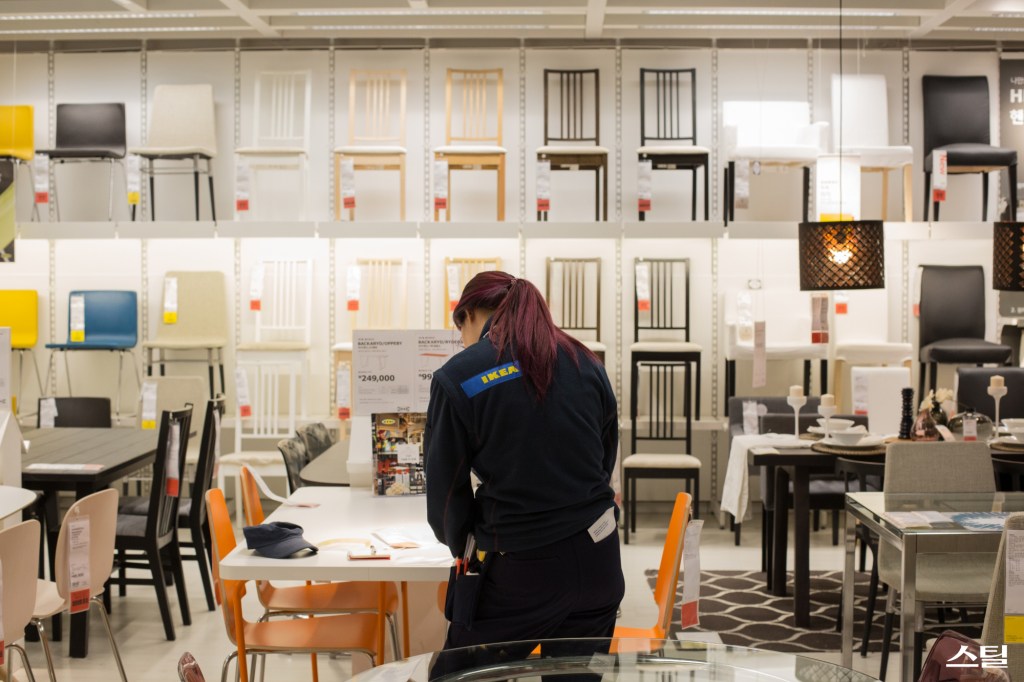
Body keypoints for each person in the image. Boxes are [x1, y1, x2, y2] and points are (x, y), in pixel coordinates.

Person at [424, 270, 623, 673]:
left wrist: (466, 542)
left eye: (459, 329)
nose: (462, 341)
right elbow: (603, 459)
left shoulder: (461, 376)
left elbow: (445, 493)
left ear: (470, 315)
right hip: (601, 561)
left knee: (459, 676)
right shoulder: (585, 361)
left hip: (523, 573)